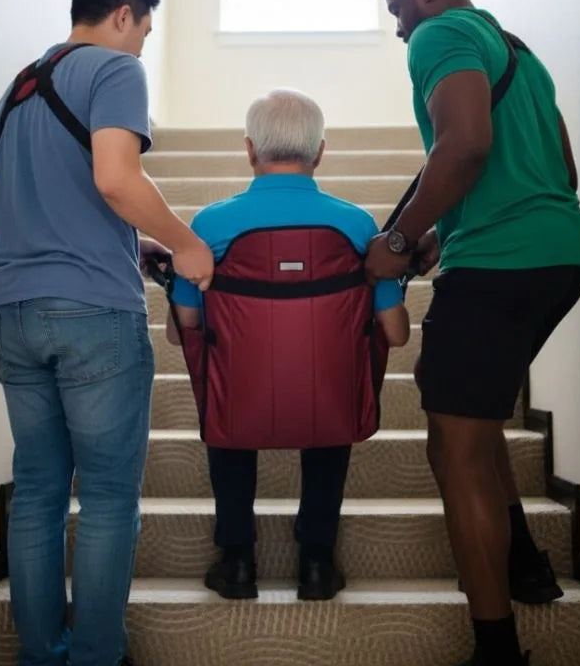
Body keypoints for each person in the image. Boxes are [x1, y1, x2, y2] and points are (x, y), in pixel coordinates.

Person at [365, 0, 580, 666]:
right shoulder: (516, 48)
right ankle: (523, 555)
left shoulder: (440, 34)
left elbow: (463, 147)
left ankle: (496, 649)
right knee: (478, 410)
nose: (400, 29)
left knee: (451, 445)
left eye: (397, 8)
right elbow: (562, 168)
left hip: (499, 264)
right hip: (562, 253)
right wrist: (440, 230)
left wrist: (398, 239)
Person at [0, 0, 213, 666]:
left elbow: (1, 212)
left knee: (38, 493)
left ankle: (40, 653)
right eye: (144, 30)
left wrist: (130, 241)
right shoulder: (115, 72)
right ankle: (93, 656)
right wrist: (184, 243)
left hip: (14, 310)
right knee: (110, 494)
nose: (143, 46)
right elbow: (116, 177)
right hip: (92, 316)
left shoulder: (17, 87)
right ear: (123, 13)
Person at [166, 89, 410, 601]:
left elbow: (184, 324)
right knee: (332, 397)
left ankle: (236, 560)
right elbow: (396, 333)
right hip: (329, 394)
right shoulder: (359, 225)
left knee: (227, 412)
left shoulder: (208, 225)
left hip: (240, 392)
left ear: (250, 149)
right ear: (320, 152)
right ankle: (317, 562)